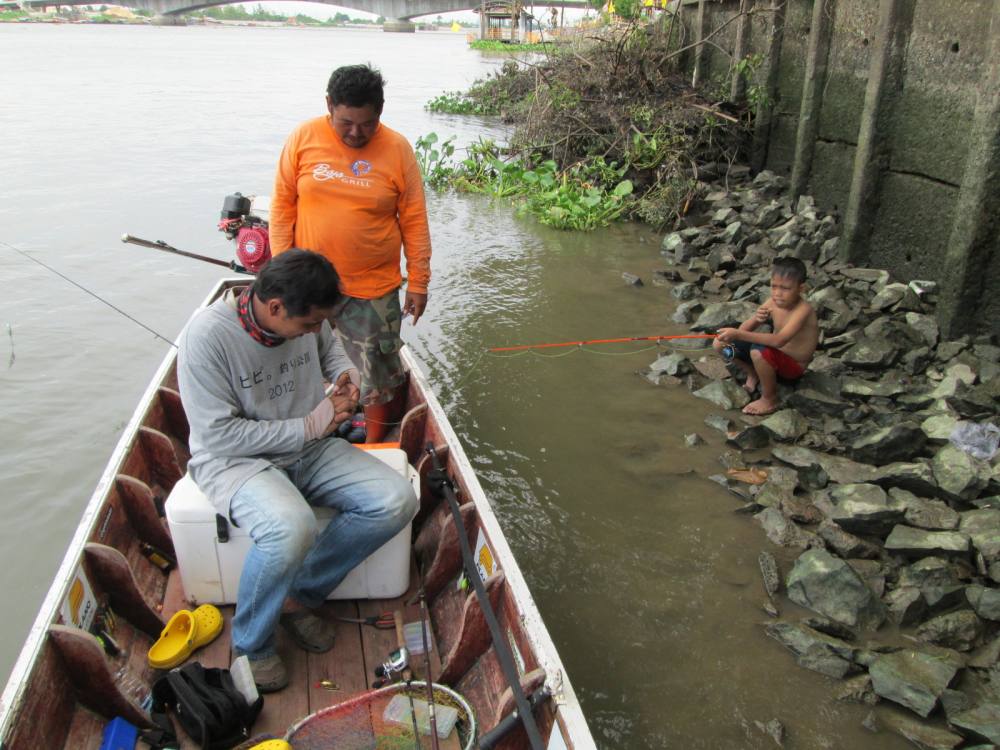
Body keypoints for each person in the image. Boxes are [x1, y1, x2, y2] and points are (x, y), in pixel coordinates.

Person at [177, 249, 418, 692]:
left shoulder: (309, 317)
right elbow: (218, 437)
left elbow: (332, 355)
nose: (314, 330)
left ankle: (298, 595)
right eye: (307, 324)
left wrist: (348, 379)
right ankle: (252, 644)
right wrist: (310, 424)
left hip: (309, 447)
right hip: (235, 463)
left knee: (396, 499)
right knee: (291, 526)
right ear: (274, 308)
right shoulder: (206, 338)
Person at [269, 63, 432, 443]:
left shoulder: (398, 149)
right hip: (308, 287)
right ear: (329, 105)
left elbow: (414, 221)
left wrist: (419, 281)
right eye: (346, 123)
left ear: (381, 110)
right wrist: (281, 271)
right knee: (301, 367)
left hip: (373, 289)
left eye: (367, 123)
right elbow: (281, 208)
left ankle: (375, 446)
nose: (356, 133)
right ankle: (310, 438)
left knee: (376, 375)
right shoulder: (303, 138)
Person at [713, 257, 818, 416]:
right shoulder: (772, 302)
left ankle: (770, 398)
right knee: (719, 343)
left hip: (791, 368)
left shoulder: (803, 310)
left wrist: (738, 333)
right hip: (772, 358)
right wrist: (756, 318)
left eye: (785, 288)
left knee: (758, 351)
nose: (777, 293)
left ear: (800, 288)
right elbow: (743, 330)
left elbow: (779, 340)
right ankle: (753, 373)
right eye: (774, 286)